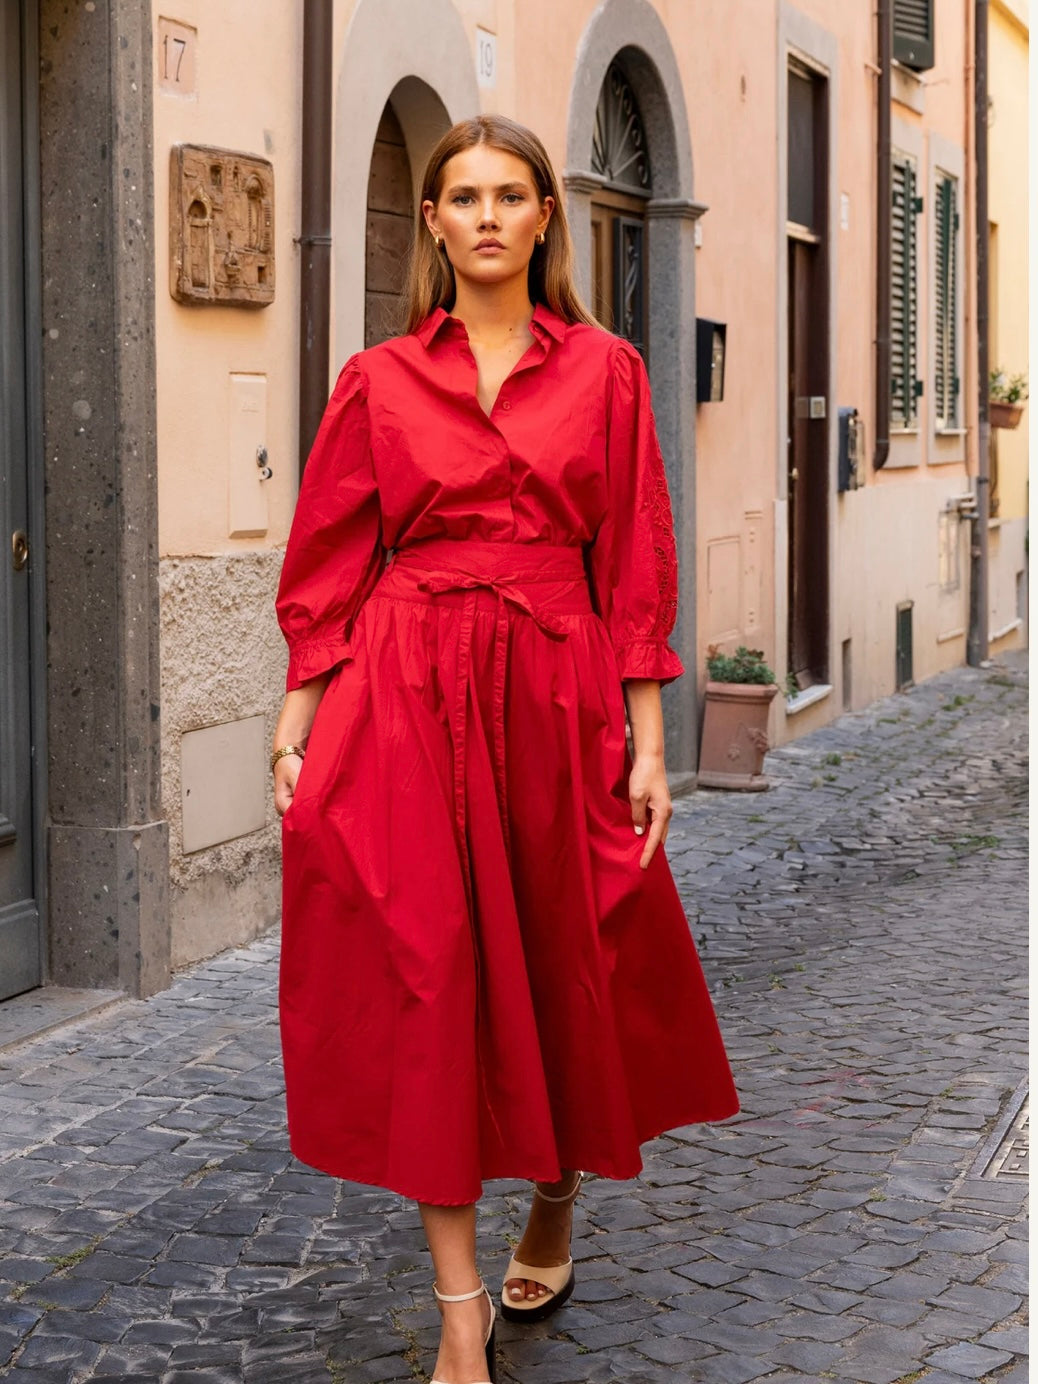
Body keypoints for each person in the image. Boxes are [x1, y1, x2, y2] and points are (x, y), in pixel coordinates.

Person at [272, 114, 738, 1384]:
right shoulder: (375, 379)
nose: (486, 215)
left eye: (509, 195)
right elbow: (330, 555)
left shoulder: (608, 374)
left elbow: (634, 558)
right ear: (431, 221)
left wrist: (650, 743)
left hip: (557, 686)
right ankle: (461, 1309)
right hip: (405, 688)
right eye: (462, 196)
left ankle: (556, 1197)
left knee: (562, 954)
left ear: (546, 218)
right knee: (428, 971)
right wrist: (299, 718)